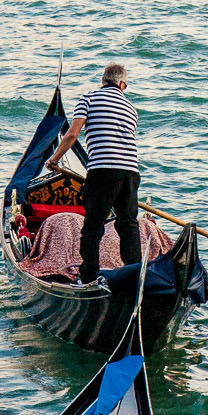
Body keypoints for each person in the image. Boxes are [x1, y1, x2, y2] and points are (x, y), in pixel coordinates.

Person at [44, 62, 142, 283]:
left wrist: (54, 159)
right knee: (128, 226)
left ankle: (88, 277)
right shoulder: (131, 109)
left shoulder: (88, 98)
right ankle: (135, 275)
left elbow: (72, 134)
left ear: (103, 81)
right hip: (131, 172)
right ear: (122, 84)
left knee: (93, 226)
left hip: (102, 171)